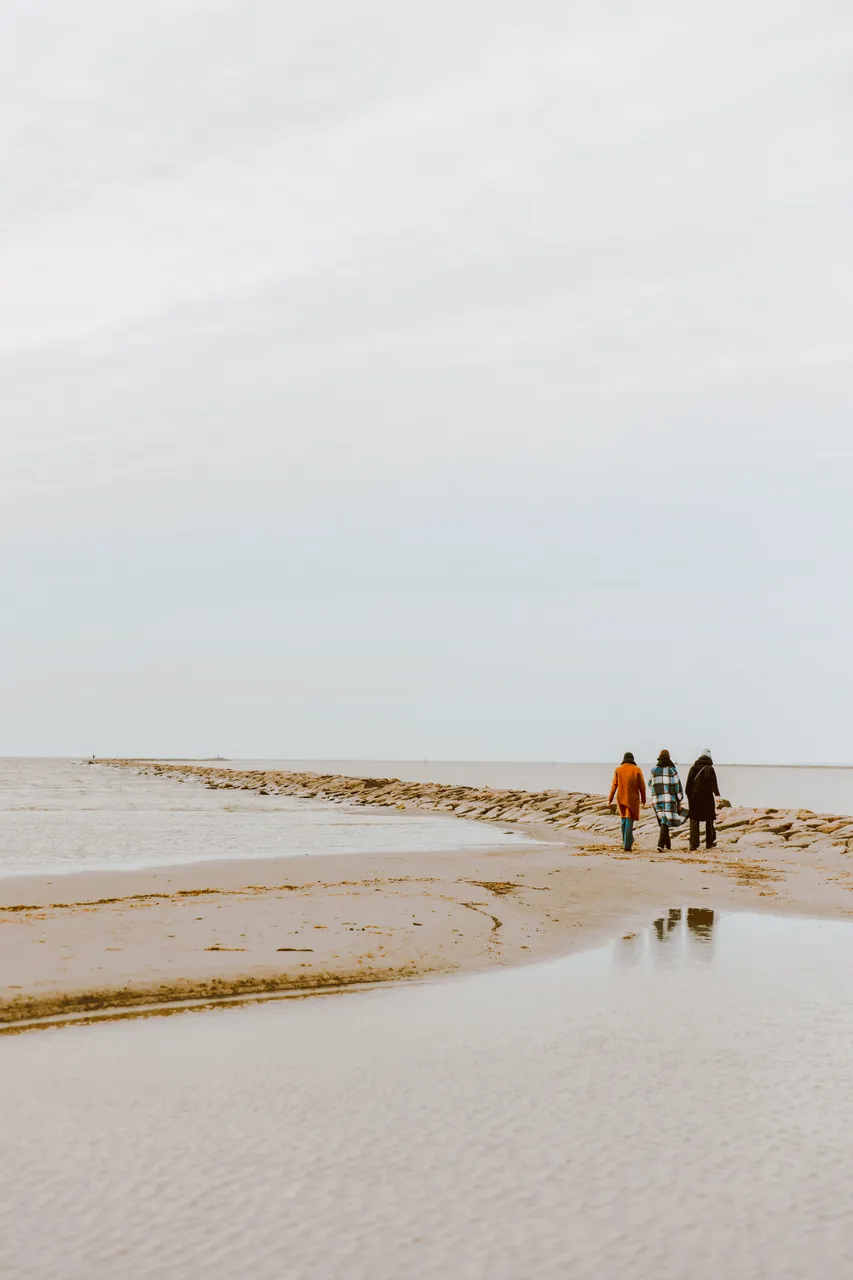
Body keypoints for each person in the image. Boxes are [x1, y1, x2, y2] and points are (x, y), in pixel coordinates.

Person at [608, 752, 646, 851]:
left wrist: (609, 799)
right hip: (632, 799)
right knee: (629, 819)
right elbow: (642, 786)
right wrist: (643, 799)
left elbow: (614, 785)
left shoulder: (618, 769)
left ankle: (626, 841)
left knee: (623, 819)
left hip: (620, 797)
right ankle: (627, 845)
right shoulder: (637, 770)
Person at [647, 749, 684, 850]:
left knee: (663, 820)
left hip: (656, 799)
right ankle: (660, 845)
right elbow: (677, 786)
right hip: (669, 800)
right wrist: (679, 799)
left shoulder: (653, 770)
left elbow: (650, 784)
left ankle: (667, 845)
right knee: (664, 821)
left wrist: (657, 791)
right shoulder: (672, 770)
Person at [686, 749, 720, 850]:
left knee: (694, 820)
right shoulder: (710, 768)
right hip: (707, 798)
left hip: (695, 798)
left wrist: (690, 797)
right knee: (709, 820)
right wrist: (717, 795)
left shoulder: (693, 768)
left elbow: (688, 786)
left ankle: (693, 844)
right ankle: (709, 843)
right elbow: (714, 784)